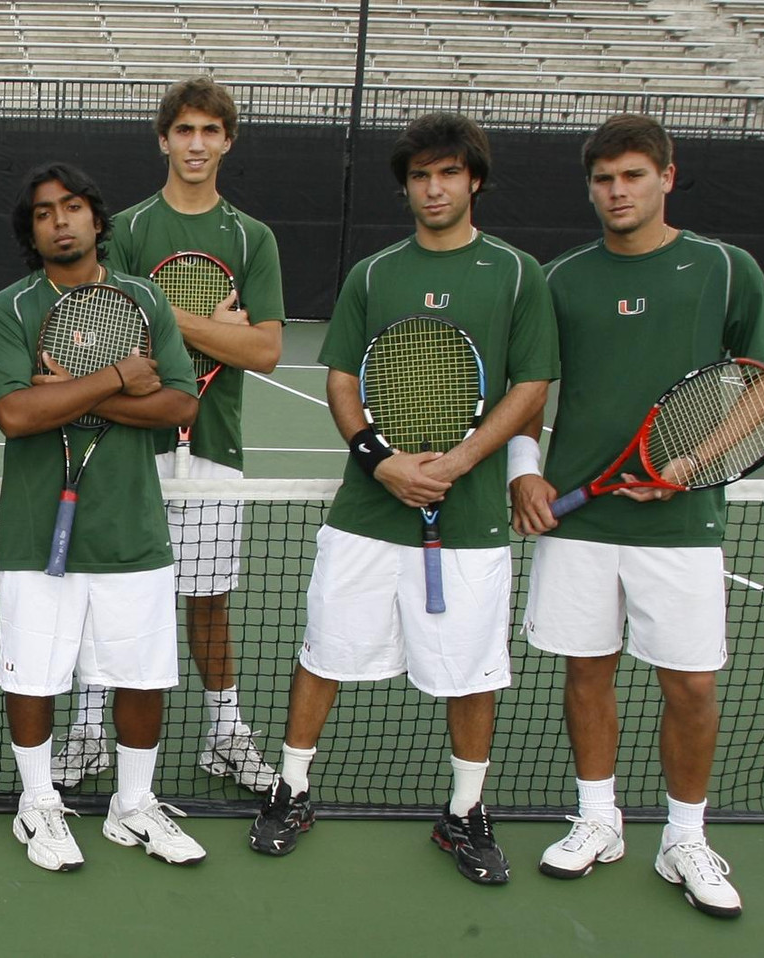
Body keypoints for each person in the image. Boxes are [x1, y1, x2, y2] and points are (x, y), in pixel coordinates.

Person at [249, 112, 557, 886]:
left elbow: (531, 386)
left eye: (448, 173)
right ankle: (292, 788)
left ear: (473, 179)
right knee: (322, 651)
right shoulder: (374, 274)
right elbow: (344, 379)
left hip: (474, 517)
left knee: (473, 670)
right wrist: (380, 461)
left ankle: (465, 812)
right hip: (366, 512)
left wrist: (459, 461)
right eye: (420, 176)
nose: (433, 188)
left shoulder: (518, 274)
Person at [512, 114, 764, 918]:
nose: (617, 191)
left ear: (668, 176)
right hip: (581, 523)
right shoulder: (559, 279)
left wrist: (691, 466)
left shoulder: (726, 270)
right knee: (585, 672)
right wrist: (527, 474)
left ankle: (685, 838)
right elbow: (530, 393)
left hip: (682, 523)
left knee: (691, 685)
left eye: (633, 175)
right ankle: (598, 818)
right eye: (603, 179)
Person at [59, 76, 285, 793]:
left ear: (228, 141)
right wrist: (214, 327)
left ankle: (226, 732)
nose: (196, 143)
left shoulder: (254, 238)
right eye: (183, 130)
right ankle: (90, 730)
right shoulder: (122, 230)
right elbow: (105, 347)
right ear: (163, 139)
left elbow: (266, 351)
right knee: (107, 591)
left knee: (209, 601)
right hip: (127, 449)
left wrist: (170, 326)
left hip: (214, 452)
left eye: (210, 131)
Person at [0, 162, 206, 871]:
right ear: (33, 231)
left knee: (142, 675)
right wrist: (112, 378)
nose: (60, 220)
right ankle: (38, 803)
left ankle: (133, 805)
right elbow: (16, 415)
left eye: (72, 207)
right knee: (33, 676)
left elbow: (178, 405)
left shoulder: (144, 301)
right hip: (33, 529)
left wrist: (70, 393)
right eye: (44, 212)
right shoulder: (6, 309)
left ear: (96, 219)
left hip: (131, 529)